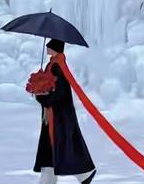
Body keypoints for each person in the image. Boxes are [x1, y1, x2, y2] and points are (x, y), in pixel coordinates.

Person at [33, 39, 96, 184]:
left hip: (58, 116)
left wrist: (42, 97)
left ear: (55, 48)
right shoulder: (54, 64)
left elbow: (59, 93)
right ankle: (50, 178)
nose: (47, 46)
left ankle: (83, 174)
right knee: (53, 146)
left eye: (50, 45)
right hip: (55, 115)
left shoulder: (57, 67)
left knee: (60, 145)